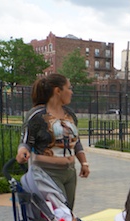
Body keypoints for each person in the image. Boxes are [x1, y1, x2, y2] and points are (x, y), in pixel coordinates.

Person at [15, 73, 89, 210]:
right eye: (69, 88)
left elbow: (76, 141)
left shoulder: (70, 114)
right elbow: (26, 140)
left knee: (67, 215)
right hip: (47, 173)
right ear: (58, 91)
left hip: (69, 172)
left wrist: (83, 163)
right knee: (59, 215)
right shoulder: (37, 115)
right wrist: (22, 151)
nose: (71, 92)